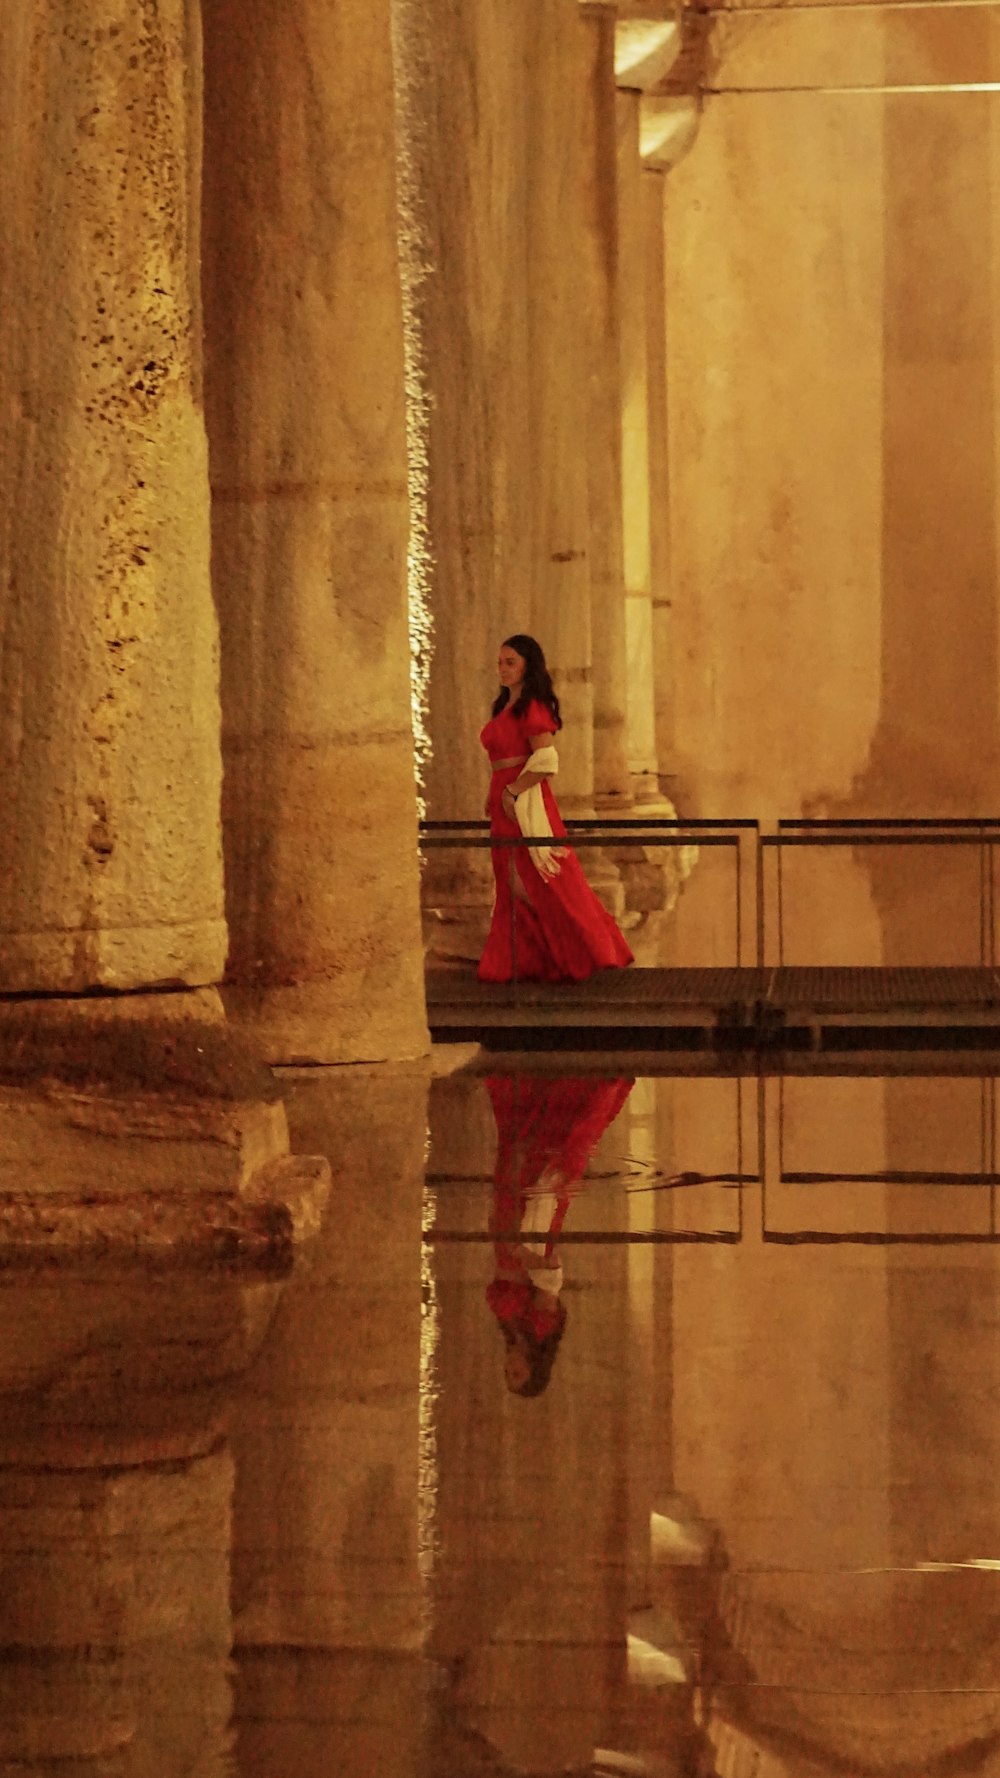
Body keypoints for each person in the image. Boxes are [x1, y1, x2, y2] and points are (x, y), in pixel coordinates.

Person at [478, 634, 634, 983]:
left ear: (527, 666)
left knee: (546, 879)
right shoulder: (503, 705)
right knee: (511, 881)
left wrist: (514, 790)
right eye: (500, 662)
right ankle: (528, 959)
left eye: (511, 662)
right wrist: (498, 795)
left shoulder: (531, 708)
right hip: (505, 799)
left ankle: (589, 949)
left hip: (524, 799)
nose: (502, 669)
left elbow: (547, 760)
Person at [485, 1073, 634, 1397]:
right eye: (518, 1372)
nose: (511, 1365)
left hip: (508, 1234)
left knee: (513, 1157)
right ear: (534, 1367)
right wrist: (519, 1252)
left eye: (508, 1372)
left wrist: (498, 1233)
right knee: (540, 1156)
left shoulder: (510, 1329)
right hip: (530, 1234)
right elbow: (549, 1275)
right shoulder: (540, 1327)